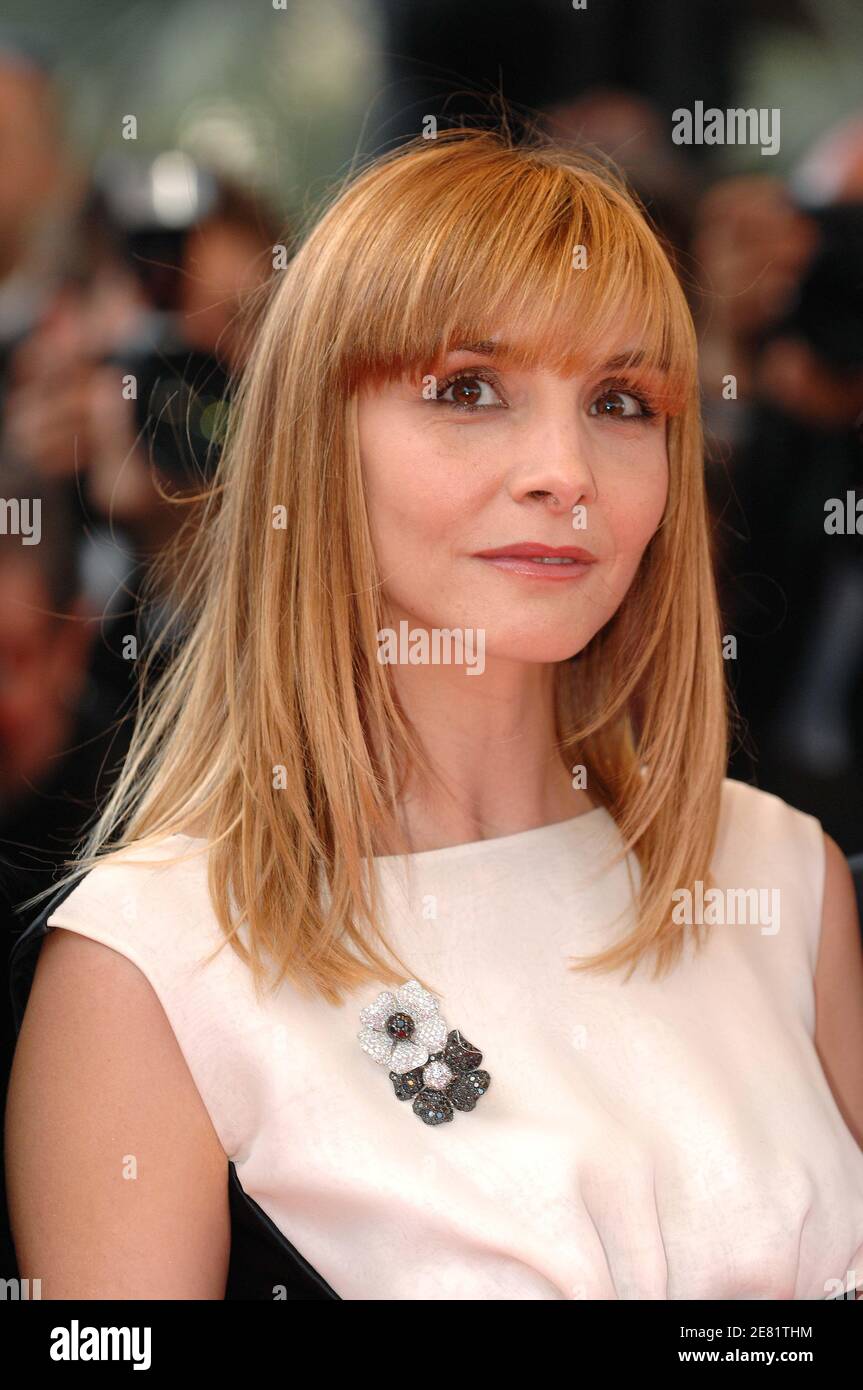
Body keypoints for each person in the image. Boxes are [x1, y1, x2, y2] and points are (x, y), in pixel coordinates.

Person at [5, 125, 863, 1301]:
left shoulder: (785, 879)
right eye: (468, 389)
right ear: (315, 443)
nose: (563, 469)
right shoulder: (149, 963)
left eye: (620, 399)